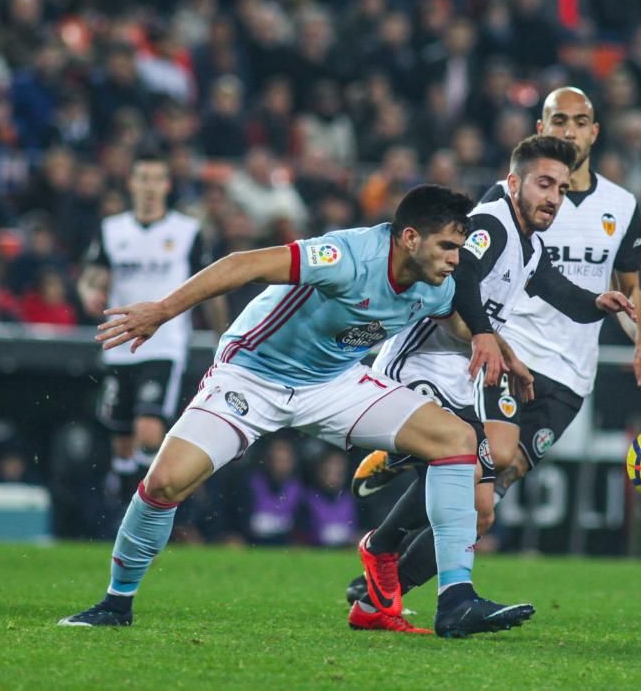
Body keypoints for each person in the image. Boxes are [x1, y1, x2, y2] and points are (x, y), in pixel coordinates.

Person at [57, 184, 538, 639]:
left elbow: (457, 319)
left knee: (456, 441)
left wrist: (501, 349)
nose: (457, 261)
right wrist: (162, 310)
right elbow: (243, 264)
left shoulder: (437, 283)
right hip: (254, 375)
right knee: (164, 483)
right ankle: (115, 604)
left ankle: (456, 600)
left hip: (334, 382)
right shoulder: (346, 257)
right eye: (448, 247)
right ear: (410, 238)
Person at [348, 90, 641, 621]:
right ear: (514, 182)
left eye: (560, 189)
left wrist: (600, 305)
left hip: (474, 371)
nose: (554, 198)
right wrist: (489, 337)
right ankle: (403, 557)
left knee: (485, 500)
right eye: (545, 185)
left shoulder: (535, 240)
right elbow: (463, 274)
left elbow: (558, 290)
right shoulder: (491, 221)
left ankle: (391, 588)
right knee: (462, 452)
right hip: (424, 364)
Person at [77, 148, 228, 507]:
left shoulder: (186, 231)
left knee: (148, 430)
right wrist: (87, 292)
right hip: (117, 342)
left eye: (155, 179)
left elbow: (210, 285)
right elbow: (92, 276)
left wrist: (224, 335)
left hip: (164, 343)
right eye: (142, 178)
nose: (148, 186)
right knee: (122, 439)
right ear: (132, 182)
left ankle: (149, 504)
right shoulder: (112, 229)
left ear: (166, 184)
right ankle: (125, 500)